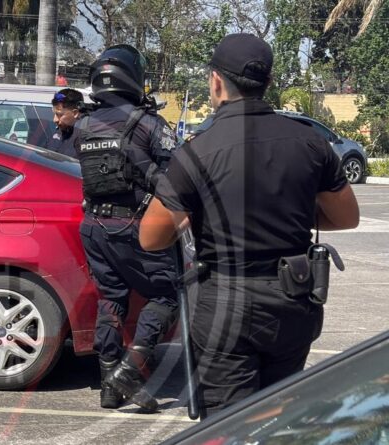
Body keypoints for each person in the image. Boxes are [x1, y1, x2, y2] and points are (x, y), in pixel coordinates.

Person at [138, 33, 360, 418]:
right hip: (293, 297)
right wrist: (291, 214)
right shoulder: (310, 143)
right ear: (268, 84)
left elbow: (151, 237)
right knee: (279, 418)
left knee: (228, 425)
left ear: (216, 81)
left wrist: (198, 215)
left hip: (226, 300)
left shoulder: (197, 151)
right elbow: (346, 217)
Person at [75, 44, 180, 412]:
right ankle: (129, 370)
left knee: (111, 299)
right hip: (135, 225)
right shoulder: (149, 123)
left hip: (93, 228)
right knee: (166, 295)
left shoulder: (83, 125)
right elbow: (174, 177)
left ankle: (108, 385)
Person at [47, 88, 84, 158]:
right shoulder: (59, 133)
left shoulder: (86, 139)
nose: (55, 120)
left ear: (75, 113)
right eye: (54, 114)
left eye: (60, 115)